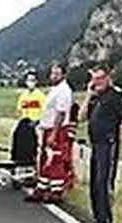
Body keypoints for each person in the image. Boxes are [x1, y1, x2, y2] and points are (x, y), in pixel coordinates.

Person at [82, 64, 122, 223]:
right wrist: (89, 95)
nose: (98, 82)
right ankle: (97, 218)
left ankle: (107, 222)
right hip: (95, 144)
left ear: (109, 78)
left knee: (104, 183)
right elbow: (81, 116)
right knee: (94, 183)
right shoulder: (95, 97)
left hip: (108, 144)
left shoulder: (115, 96)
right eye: (95, 79)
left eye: (101, 78)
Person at [27, 63, 76, 204]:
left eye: (57, 74)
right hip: (47, 128)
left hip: (57, 130)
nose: (53, 76)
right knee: (45, 159)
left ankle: (56, 191)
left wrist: (54, 133)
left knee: (55, 159)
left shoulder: (64, 90)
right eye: (52, 73)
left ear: (63, 75)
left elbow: (60, 113)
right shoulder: (55, 89)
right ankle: (42, 188)